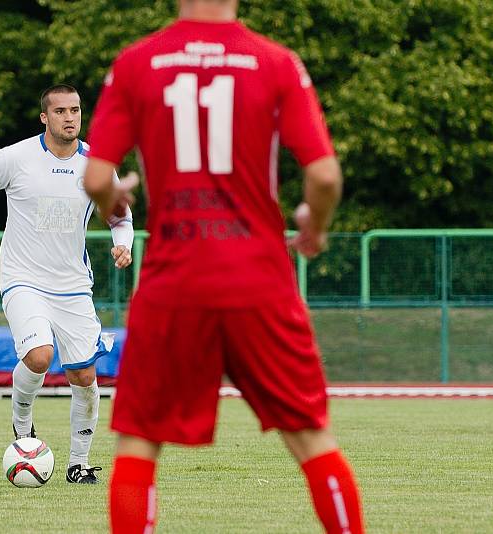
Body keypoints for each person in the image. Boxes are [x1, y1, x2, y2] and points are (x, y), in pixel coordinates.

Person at [82, 0, 365, 532]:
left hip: (174, 279)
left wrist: (112, 201)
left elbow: (97, 177)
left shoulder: (137, 62)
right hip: (258, 278)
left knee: (139, 441)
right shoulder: (276, 62)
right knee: (310, 435)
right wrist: (315, 228)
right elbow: (325, 177)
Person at [0, 84, 134, 484]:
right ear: (45, 117)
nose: (69, 118)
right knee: (39, 356)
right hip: (22, 279)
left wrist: (122, 244)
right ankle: (23, 430)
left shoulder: (96, 164)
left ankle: (79, 464)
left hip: (73, 285)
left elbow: (119, 216)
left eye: (75, 110)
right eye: (60, 111)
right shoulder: (15, 157)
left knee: (85, 377)